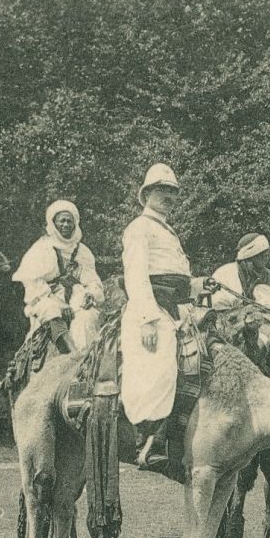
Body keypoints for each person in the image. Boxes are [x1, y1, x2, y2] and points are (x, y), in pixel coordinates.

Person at [119, 163, 204, 468]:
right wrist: (147, 319)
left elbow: (178, 277)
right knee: (162, 357)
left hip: (177, 306)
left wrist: (200, 285)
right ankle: (148, 439)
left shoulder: (168, 231)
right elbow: (137, 275)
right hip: (152, 307)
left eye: (172, 191)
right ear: (147, 194)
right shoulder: (139, 228)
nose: (168, 196)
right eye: (162, 190)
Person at [11, 200, 104, 353]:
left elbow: (93, 281)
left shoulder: (82, 251)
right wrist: (60, 304)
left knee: (87, 316)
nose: (66, 225)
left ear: (75, 224)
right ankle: (71, 352)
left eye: (70, 221)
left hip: (75, 296)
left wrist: (90, 294)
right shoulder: (42, 248)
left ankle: (87, 357)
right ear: (53, 223)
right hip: (47, 297)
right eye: (62, 221)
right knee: (50, 309)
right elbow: (33, 284)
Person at [212, 233, 270, 373]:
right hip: (228, 324)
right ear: (251, 257)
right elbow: (222, 308)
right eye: (263, 255)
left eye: (268, 254)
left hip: (262, 323)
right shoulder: (226, 274)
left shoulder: (268, 276)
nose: (268, 257)